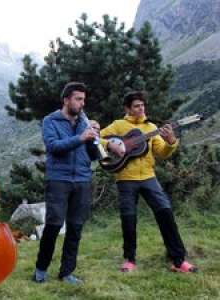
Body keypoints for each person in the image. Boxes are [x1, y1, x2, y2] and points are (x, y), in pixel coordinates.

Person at [100, 91, 197, 273]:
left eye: (143, 105)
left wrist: (171, 142)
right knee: (128, 219)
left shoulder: (151, 127)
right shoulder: (118, 125)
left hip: (148, 177)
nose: (141, 108)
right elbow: (98, 138)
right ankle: (129, 259)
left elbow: (161, 152)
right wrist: (110, 145)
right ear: (127, 108)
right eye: (136, 106)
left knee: (165, 213)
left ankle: (178, 260)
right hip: (125, 179)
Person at [33, 82, 99, 284]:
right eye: (78, 99)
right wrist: (81, 138)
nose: (82, 104)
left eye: (83, 100)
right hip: (58, 179)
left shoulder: (84, 122)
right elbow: (54, 147)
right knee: (53, 225)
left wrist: (95, 138)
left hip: (82, 179)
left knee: (76, 227)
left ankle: (66, 272)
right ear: (66, 100)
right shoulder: (50, 120)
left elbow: (94, 155)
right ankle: (41, 268)